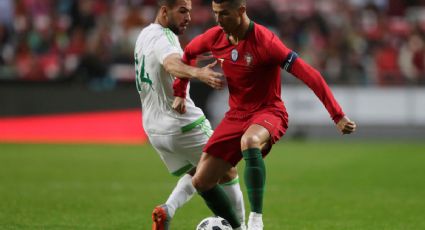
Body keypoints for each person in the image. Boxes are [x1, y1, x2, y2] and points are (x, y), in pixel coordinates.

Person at [172, 0, 357, 229]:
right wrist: (180, 91)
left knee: (249, 141)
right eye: (216, 14)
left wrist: (337, 115)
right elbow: (188, 53)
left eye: (224, 14)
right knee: (202, 181)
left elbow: (309, 74)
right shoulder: (215, 37)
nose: (218, 20)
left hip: (269, 111)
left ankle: (256, 220)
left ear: (241, 11)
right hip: (236, 115)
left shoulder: (266, 41)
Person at [133, 0, 246, 229]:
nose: (189, 18)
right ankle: (242, 227)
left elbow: (166, 63)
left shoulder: (145, 35)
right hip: (182, 123)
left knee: (200, 172)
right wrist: (198, 73)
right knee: (227, 170)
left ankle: (167, 210)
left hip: (154, 129)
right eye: (182, 11)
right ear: (164, 11)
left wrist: (190, 62)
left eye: (190, 12)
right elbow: (172, 64)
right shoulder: (165, 37)